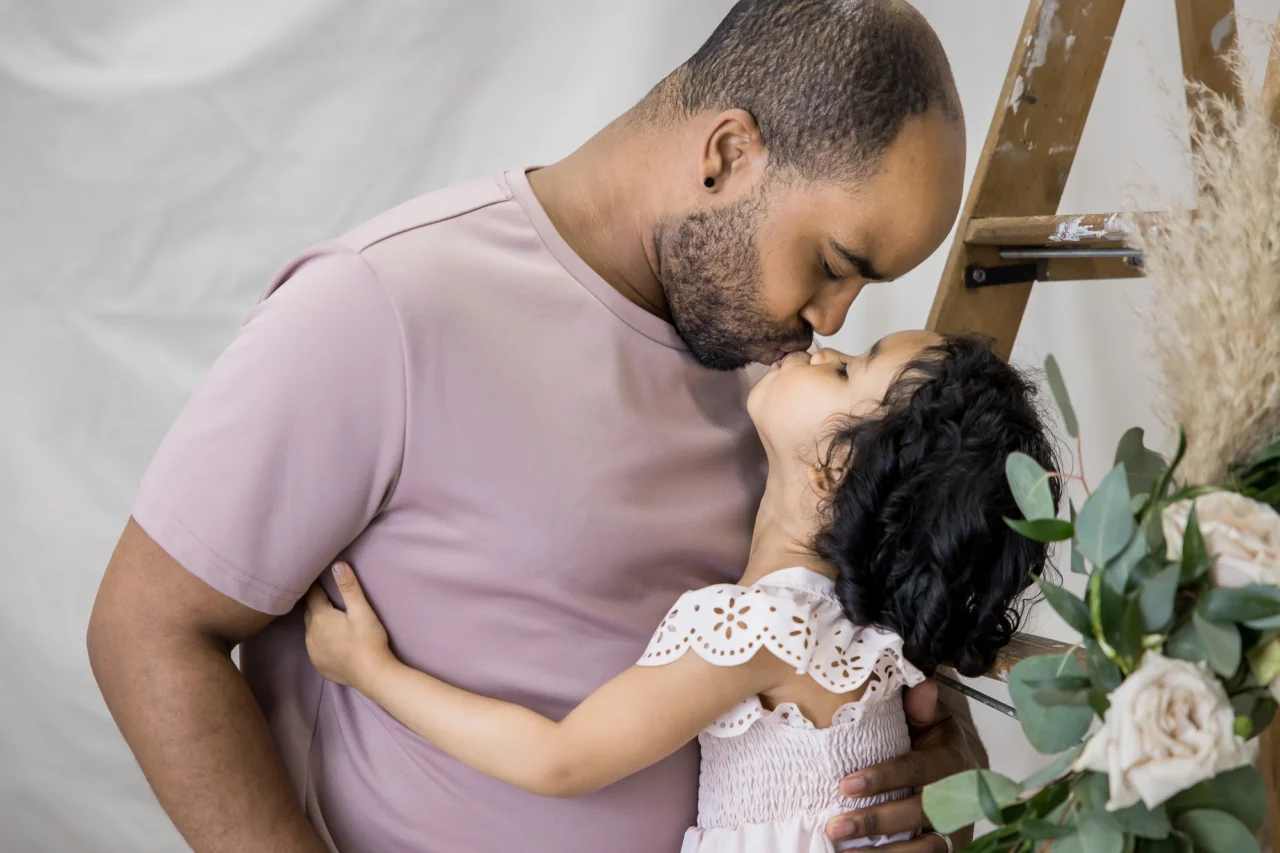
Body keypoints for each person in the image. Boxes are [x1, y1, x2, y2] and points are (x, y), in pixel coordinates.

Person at [86, 1, 975, 851]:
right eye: (831, 263)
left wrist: (929, 777)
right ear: (728, 153)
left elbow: (842, 639)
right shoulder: (385, 306)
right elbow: (147, 627)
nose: (830, 321)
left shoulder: (784, 393)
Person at [303, 332, 1060, 852]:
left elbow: (560, 759)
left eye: (841, 369)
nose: (823, 346)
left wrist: (371, 670)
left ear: (832, 469)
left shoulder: (757, 626)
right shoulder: (868, 634)